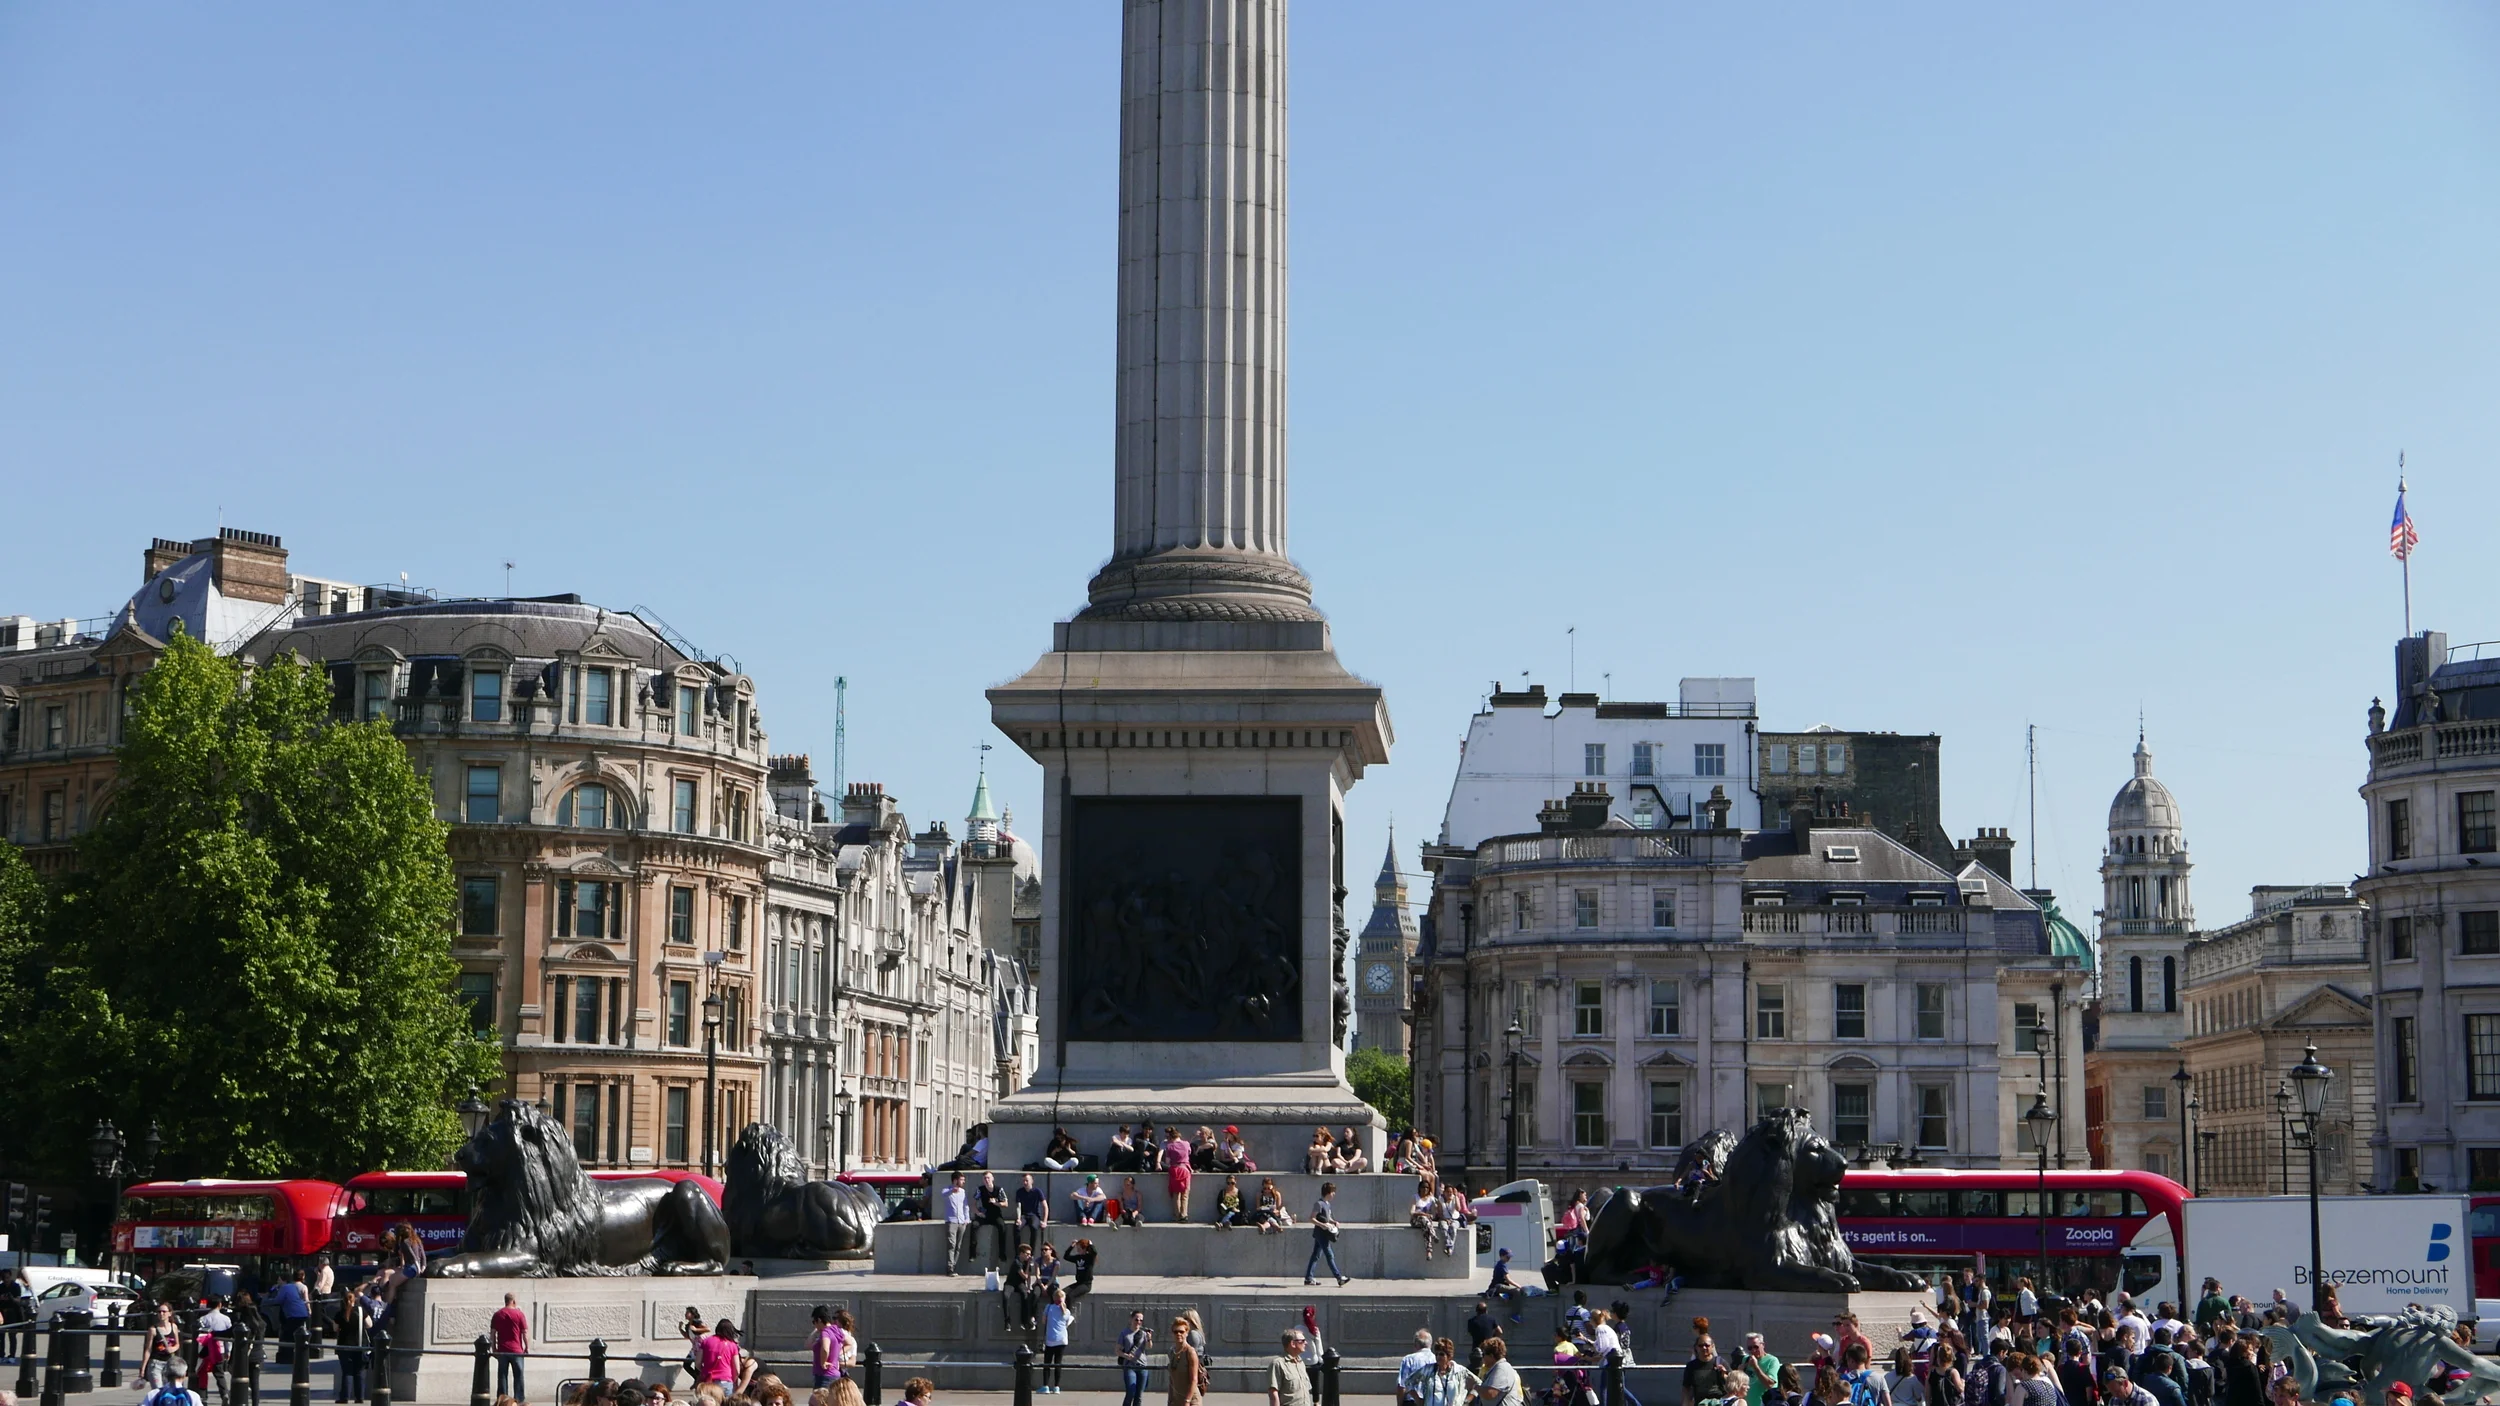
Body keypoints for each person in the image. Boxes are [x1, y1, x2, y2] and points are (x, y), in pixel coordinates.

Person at [1305, 1181, 1349, 1287]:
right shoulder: (1319, 1204)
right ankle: (1339, 1278)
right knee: (1329, 1255)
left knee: (1315, 1255)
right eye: (1333, 1192)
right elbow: (1311, 1218)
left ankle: (1308, 1278)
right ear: (1328, 1193)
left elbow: (1328, 1218)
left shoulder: (1327, 1204)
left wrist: (1333, 1222)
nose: (1334, 1194)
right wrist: (1322, 1225)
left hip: (1324, 1233)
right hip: (1321, 1233)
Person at [490, 1293, 530, 1403]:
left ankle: (502, 1400)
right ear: (513, 1301)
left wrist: (494, 1348)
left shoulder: (498, 1314)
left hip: (502, 1350)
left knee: (502, 1377)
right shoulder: (519, 1314)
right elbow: (524, 1332)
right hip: (517, 1350)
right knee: (519, 1376)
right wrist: (527, 1346)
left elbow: (493, 1333)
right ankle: (519, 1400)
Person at [694, 1321, 749, 1395]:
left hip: (708, 1381)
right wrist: (733, 1381)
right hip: (725, 1381)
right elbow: (737, 1369)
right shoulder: (733, 1345)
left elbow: (697, 1363)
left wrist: (704, 1370)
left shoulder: (706, 1341)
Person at [1424, 1339, 1480, 1406]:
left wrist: (1467, 1401)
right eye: (1436, 1354)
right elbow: (1409, 1382)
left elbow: (1479, 1383)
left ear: (1449, 1356)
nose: (1438, 1357)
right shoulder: (1429, 1369)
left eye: (1441, 1354)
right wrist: (1419, 1400)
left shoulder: (1460, 1371)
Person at [1041, 1286, 1074, 1394]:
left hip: (1051, 1339)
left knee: (1047, 1363)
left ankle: (1045, 1386)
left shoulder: (1049, 1307)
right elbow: (1066, 1323)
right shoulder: (1067, 1312)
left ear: (1054, 1298)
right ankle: (1056, 1387)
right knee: (1058, 1363)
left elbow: (1043, 1321)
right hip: (1062, 1339)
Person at [939, 1173, 974, 1276]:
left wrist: (967, 1219)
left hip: (962, 1222)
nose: (963, 1181)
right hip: (951, 1221)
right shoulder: (946, 1190)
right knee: (951, 1245)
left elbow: (965, 1206)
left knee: (958, 1246)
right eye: (961, 1179)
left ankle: (954, 1266)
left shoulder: (963, 1192)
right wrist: (952, 1191)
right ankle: (950, 1268)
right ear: (955, 1180)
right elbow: (943, 1195)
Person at [1118, 1312, 1154, 1406]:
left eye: (1141, 1320)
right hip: (1129, 1366)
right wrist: (1126, 1356)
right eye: (1136, 1319)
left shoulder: (1143, 1333)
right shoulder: (1124, 1333)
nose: (1138, 1322)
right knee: (1131, 1392)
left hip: (1142, 1366)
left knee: (1139, 1395)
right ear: (1131, 1319)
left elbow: (1149, 1347)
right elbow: (1117, 1350)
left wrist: (1149, 1338)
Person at [1272, 1329, 1316, 1406]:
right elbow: (1273, 1394)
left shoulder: (1301, 1363)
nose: (1305, 1343)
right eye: (1302, 1341)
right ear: (1293, 1343)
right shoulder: (1278, 1364)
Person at [1168, 1316, 1204, 1406]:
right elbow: (1172, 1380)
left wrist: (1187, 1401)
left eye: (1181, 1331)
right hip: (1176, 1400)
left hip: (1191, 1400)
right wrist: (1170, 1400)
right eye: (1175, 1332)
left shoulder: (1190, 1352)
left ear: (1187, 1333)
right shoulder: (1172, 1351)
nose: (1178, 1334)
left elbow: (1193, 1380)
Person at [976, 1173, 1012, 1264]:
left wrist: (996, 1203)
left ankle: (1002, 1253)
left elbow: (1006, 1204)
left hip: (996, 1214)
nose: (986, 1180)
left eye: (988, 1178)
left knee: (1002, 1227)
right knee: (974, 1225)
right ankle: (972, 1253)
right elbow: (973, 1203)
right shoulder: (980, 1190)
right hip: (985, 1214)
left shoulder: (999, 1189)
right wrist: (978, 1213)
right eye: (984, 1178)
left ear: (992, 1179)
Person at [1738, 1333, 1781, 1406]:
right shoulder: (1746, 1359)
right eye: (1750, 1348)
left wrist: (1756, 1367)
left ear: (1763, 1345)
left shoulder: (1772, 1361)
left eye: (1756, 1347)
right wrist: (1739, 1372)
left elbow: (1770, 1385)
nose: (1753, 1350)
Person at [809, 1306, 846, 1390]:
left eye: (814, 1322)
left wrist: (823, 1362)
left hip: (824, 1376)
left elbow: (825, 1348)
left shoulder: (825, 1332)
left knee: (820, 1402)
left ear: (819, 1320)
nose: (815, 1325)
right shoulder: (836, 1331)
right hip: (835, 1375)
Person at [1402, 1330, 1442, 1406]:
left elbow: (1402, 1385)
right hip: (1431, 1401)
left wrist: (1399, 1403)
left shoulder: (1408, 1359)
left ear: (1416, 1344)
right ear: (1430, 1344)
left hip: (1411, 1401)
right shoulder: (1436, 1359)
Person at [1478, 1339, 1523, 1406]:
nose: (1482, 1358)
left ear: (1491, 1356)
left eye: (1483, 1354)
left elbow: (1491, 1394)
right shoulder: (1497, 1368)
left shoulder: (1501, 1369)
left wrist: (1475, 1386)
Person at [1016, 1173, 1051, 1252]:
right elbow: (1018, 1206)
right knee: (1017, 1228)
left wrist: (1045, 1221)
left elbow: (1045, 1206)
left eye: (1027, 1181)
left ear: (1032, 1181)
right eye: (1023, 1181)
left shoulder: (1037, 1191)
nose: (1025, 1183)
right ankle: (1018, 1253)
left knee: (1034, 1227)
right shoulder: (1019, 1192)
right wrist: (1018, 1218)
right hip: (1024, 1215)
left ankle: (1031, 1253)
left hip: (1034, 1215)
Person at [1466, 1302, 1503, 1374]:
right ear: (1486, 1311)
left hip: (1476, 1350)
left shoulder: (1471, 1321)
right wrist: (1493, 1338)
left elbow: (1470, 1332)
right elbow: (1500, 1331)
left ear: (1476, 1311)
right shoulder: (1491, 1319)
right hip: (1489, 1348)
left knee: (1476, 1370)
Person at [1488, 1248, 1525, 1321]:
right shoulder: (1502, 1265)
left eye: (1510, 1257)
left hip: (1498, 1286)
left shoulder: (1500, 1264)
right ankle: (1515, 1315)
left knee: (1511, 1290)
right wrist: (1519, 1286)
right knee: (1517, 1291)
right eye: (1507, 1257)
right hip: (1498, 1287)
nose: (1509, 1258)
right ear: (1501, 1256)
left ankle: (1504, 1295)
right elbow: (1508, 1279)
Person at [1167, 1128, 1195, 1220]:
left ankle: (1177, 1215)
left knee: (1176, 1194)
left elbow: (1167, 1161)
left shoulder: (1169, 1146)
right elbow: (1189, 1153)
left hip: (1174, 1170)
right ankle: (1184, 1215)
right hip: (1185, 1169)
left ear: (1171, 1137)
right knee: (1185, 1193)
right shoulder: (1186, 1144)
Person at [1064, 1239, 1098, 1309]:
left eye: (1079, 1248)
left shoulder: (1089, 1258)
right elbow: (1066, 1257)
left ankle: (1068, 1315)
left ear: (1084, 1248)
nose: (1077, 1250)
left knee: (1070, 1296)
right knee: (1062, 1293)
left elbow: (1094, 1252)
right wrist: (1071, 1246)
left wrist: (1091, 1245)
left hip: (1086, 1284)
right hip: (1078, 1283)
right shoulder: (1077, 1258)